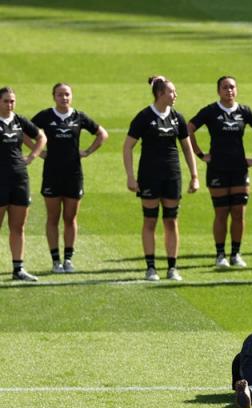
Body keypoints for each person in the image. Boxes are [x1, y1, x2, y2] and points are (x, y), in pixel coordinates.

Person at [189, 75, 252, 270]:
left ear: (237, 90)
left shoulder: (244, 112)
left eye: (232, 87)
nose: (229, 91)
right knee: (221, 213)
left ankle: (235, 254)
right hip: (217, 169)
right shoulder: (210, 111)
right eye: (225, 87)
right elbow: (188, 129)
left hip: (239, 170)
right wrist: (201, 154)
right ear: (218, 91)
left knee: (238, 213)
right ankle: (220, 255)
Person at [123, 76, 199, 282]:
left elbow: (186, 147)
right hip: (149, 175)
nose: (175, 95)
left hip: (172, 175)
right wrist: (130, 177)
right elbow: (128, 146)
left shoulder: (177, 117)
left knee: (171, 221)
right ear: (160, 94)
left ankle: (172, 268)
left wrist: (194, 176)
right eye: (172, 92)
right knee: (150, 220)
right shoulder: (144, 117)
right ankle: (151, 267)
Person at [32, 82, 108, 274]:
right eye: (60, 95)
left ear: (71, 96)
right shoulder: (45, 116)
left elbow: (102, 134)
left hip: (74, 174)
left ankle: (68, 259)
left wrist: (88, 151)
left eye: (67, 94)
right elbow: (25, 132)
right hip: (52, 173)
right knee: (52, 218)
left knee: (70, 218)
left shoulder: (79, 117)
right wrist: (38, 152)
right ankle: (55, 260)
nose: (64, 98)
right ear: (53, 97)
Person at [0, 86, 46, 282]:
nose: (10, 104)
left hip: (19, 179)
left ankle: (18, 269)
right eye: (5, 101)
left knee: (18, 226)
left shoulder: (19, 120)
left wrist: (32, 156)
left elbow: (41, 137)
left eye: (12, 101)